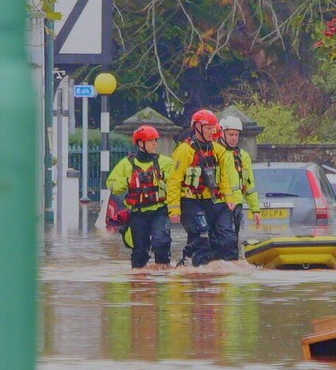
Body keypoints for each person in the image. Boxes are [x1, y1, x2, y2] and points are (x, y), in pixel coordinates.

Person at [168, 109, 239, 266]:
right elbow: (174, 181)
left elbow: (223, 178)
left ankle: (228, 271)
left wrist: (229, 198)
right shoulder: (184, 151)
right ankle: (197, 272)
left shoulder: (218, 150)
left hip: (214, 200)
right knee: (202, 236)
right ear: (197, 127)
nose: (211, 131)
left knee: (228, 238)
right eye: (208, 128)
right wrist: (174, 210)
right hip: (192, 201)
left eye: (213, 128)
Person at [106, 125, 175, 269]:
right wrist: (128, 181)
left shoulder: (165, 162)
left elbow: (176, 180)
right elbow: (111, 184)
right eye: (151, 141)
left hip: (159, 211)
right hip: (137, 213)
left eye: (155, 140)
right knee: (139, 251)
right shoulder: (126, 164)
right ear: (140, 143)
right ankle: (139, 284)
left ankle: (163, 274)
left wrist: (163, 176)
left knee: (161, 242)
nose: (155, 144)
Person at [219, 116, 261, 250]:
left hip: (237, 205)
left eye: (236, 135)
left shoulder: (244, 156)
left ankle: (232, 264)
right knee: (224, 239)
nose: (234, 138)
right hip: (220, 204)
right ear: (222, 133)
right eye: (231, 134)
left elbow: (249, 185)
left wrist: (255, 209)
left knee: (233, 238)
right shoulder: (217, 153)